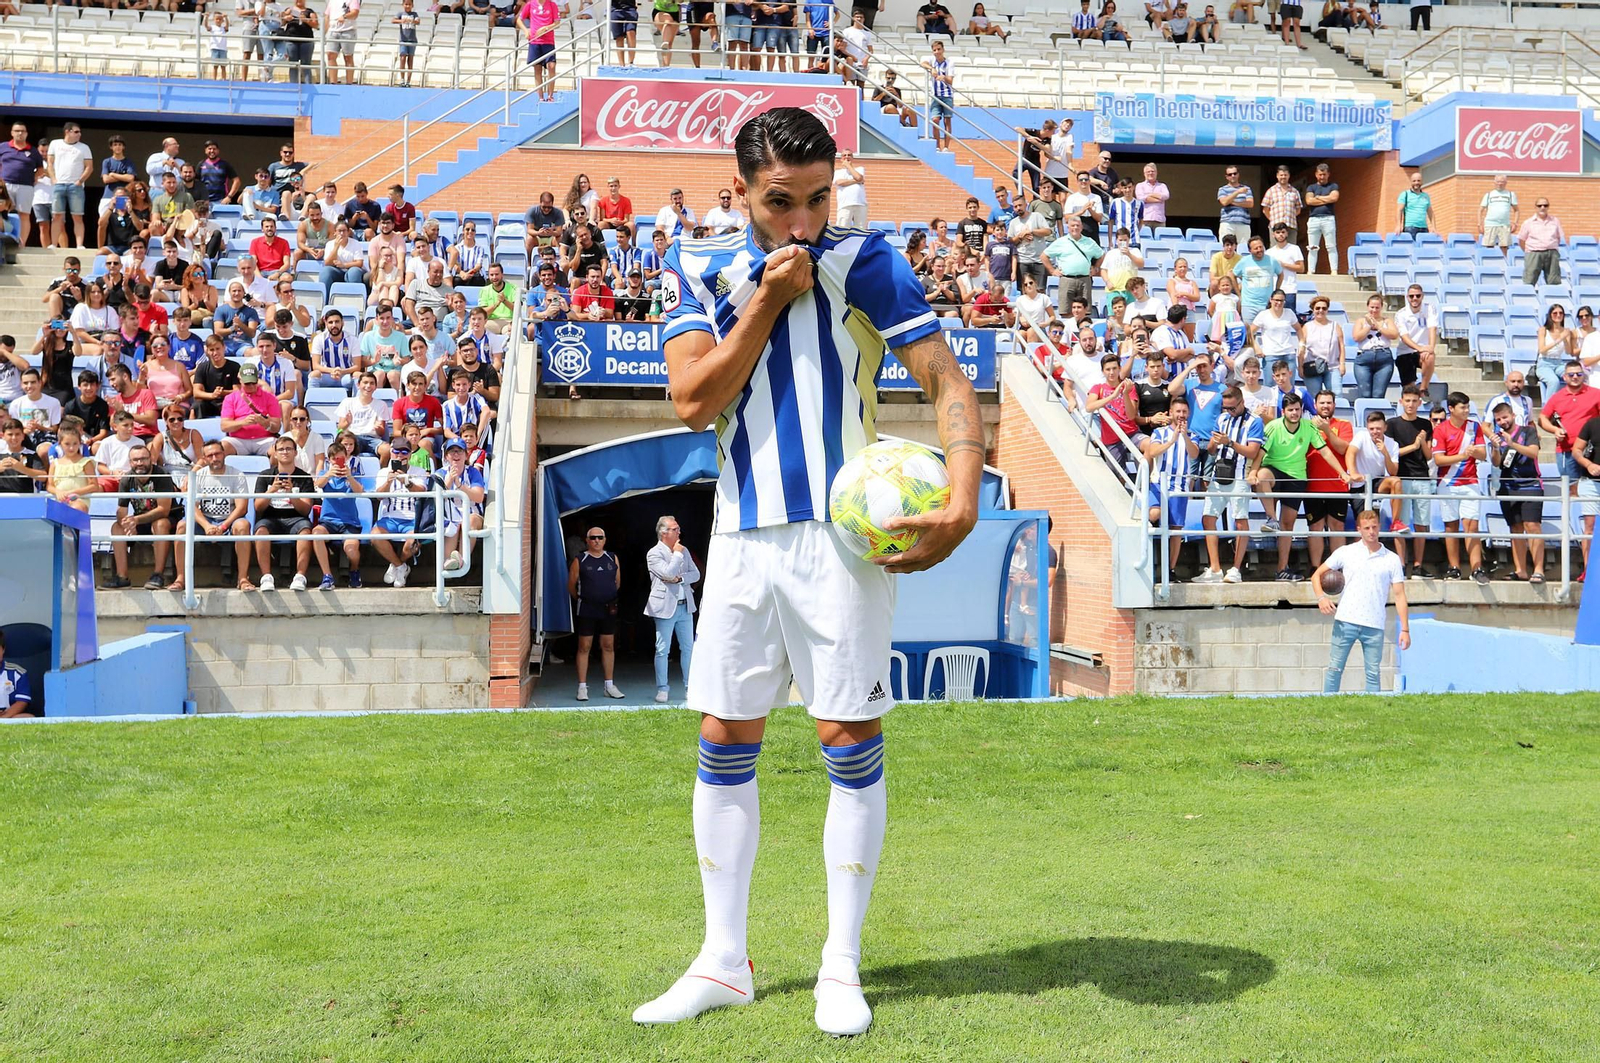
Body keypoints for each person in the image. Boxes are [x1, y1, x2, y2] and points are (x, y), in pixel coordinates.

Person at [634, 109, 981, 1037]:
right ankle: (723, 960)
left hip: (841, 540)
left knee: (846, 735)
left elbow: (947, 380)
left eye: (819, 199)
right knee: (723, 733)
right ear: (740, 191)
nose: (803, 222)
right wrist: (764, 300)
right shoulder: (698, 265)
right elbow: (691, 399)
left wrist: (963, 496)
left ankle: (840, 964)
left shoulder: (867, 261)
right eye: (781, 202)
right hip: (741, 534)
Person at [1314, 509, 1409, 693]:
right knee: (1334, 669)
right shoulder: (1346, 552)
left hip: (1374, 624)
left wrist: (1405, 629)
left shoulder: (1392, 559)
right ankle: (1326, 704)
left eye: (1374, 527)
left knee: (1373, 673)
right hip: (1346, 620)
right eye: (1367, 528)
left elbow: (1400, 595)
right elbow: (1317, 575)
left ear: (1379, 527)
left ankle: (1372, 708)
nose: (1371, 532)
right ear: (1359, 529)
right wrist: (1321, 598)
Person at [1249, 391, 1330, 580]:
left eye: (1297, 409)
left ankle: (1282, 569)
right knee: (1262, 476)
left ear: (1302, 410)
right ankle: (1271, 518)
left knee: (1287, 524)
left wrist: (1343, 473)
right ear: (1283, 411)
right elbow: (1260, 454)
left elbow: (1325, 452)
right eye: (1290, 410)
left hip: (1296, 477)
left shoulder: (1309, 427)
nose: (1294, 413)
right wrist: (1252, 472)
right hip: (1274, 469)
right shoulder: (1273, 427)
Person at [1195, 385, 1263, 584]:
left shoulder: (1254, 421)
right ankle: (1215, 569)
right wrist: (1214, 443)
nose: (1229, 411)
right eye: (1226, 408)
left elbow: (1253, 452)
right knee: (1208, 518)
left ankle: (1236, 569)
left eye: (1232, 408)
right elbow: (1211, 450)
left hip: (1240, 476)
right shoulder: (1222, 419)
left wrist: (1230, 443)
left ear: (1242, 402)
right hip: (1219, 474)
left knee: (1240, 520)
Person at [1142, 393, 1198, 582]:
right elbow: (1152, 451)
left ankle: (1170, 569)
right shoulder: (1160, 432)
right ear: (1171, 412)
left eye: (1184, 412)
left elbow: (1194, 453)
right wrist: (1172, 440)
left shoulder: (1193, 434)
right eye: (1178, 411)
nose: (1181, 415)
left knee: (1176, 530)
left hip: (1180, 487)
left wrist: (1184, 436)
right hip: (1159, 483)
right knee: (1154, 514)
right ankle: (1147, 556)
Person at [1487, 400, 1544, 583]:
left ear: (1512, 415)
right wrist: (1495, 447)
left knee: (1532, 526)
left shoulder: (1528, 431)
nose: (1502, 422)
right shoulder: (1497, 437)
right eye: (1498, 420)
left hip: (1530, 484)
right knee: (1515, 528)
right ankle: (1521, 571)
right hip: (1508, 487)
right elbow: (1496, 463)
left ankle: (1538, 570)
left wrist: (1512, 443)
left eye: (1505, 417)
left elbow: (1533, 453)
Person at [645, 514, 700, 703]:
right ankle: (662, 688)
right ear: (664, 532)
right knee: (662, 649)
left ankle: (690, 687)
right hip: (664, 607)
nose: (679, 532)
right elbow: (667, 573)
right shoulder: (654, 553)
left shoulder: (684, 550)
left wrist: (680, 578)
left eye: (678, 528)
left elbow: (696, 574)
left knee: (688, 648)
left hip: (685, 607)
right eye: (675, 529)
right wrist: (676, 555)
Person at [568, 525, 625, 700]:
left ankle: (609, 685)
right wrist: (583, 598)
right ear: (587, 541)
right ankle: (582, 687)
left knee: (608, 645)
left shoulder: (612, 558)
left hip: (608, 608)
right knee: (584, 646)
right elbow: (571, 585)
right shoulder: (580, 559)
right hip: (587, 608)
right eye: (593, 538)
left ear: (605, 540)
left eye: (600, 537)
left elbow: (617, 583)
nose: (596, 541)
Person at [1387, 384, 1434, 575]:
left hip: (1422, 477)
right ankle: (1400, 565)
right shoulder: (1392, 424)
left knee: (1422, 524)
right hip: (1401, 478)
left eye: (1414, 401)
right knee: (1400, 523)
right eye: (1407, 400)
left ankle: (1417, 565)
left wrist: (1421, 443)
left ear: (1420, 403)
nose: (1411, 404)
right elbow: (1391, 454)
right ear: (1401, 401)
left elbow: (1429, 456)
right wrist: (1413, 446)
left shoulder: (1425, 424)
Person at [1043, 215, 1101, 317]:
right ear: (1068, 227)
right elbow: (1044, 256)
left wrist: (1096, 268)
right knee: (1066, 312)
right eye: (1073, 225)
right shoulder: (1061, 242)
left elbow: (1101, 255)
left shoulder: (1089, 242)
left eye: (1077, 225)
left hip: (1084, 280)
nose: (1075, 228)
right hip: (1067, 280)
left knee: (1085, 312)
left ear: (1081, 227)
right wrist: (1052, 271)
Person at [220, 364, 282, 457]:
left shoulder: (270, 398)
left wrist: (266, 424)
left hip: (265, 439)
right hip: (238, 440)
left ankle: (274, 467)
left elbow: (277, 427)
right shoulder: (230, 398)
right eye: (247, 383)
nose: (251, 386)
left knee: (280, 450)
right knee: (220, 449)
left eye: (254, 383)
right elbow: (224, 426)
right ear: (240, 380)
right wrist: (243, 423)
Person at [1351, 291, 1398, 399]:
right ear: (1368, 306)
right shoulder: (1361, 321)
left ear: (1381, 307)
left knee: (1378, 394)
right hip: (1364, 356)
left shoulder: (1387, 321)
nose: (1374, 310)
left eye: (1377, 307)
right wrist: (1368, 326)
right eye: (1372, 307)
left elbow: (1394, 335)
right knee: (1365, 394)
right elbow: (1356, 337)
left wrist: (1378, 327)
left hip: (1383, 357)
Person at [1517, 197, 1565, 288]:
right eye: (1540, 205)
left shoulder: (1555, 221)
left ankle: (1552, 297)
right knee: (1529, 280)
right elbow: (1521, 240)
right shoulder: (1528, 222)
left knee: (1554, 282)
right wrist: (1529, 251)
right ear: (1535, 207)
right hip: (1534, 253)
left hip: (1552, 254)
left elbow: (1558, 237)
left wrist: (1550, 246)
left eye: (1545, 205)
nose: (1542, 207)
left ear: (1548, 207)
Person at [921, 39, 956, 150]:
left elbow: (950, 80)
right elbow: (922, 63)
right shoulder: (932, 60)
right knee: (935, 120)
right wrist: (932, 69)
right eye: (935, 50)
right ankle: (937, 145)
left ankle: (946, 146)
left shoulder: (949, 62)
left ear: (943, 50)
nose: (937, 52)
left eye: (939, 49)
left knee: (947, 120)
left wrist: (944, 77)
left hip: (947, 95)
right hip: (935, 95)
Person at [1478, 173, 1519, 257]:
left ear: (1506, 183)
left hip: (1504, 224)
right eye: (1498, 181)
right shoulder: (1488, 195)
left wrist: (1515, 223)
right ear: (1494, 182)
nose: (1500, 184)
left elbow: (1516, 210)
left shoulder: (1510, 194)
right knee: (1489, 245)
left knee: (1504, 246)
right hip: (1490, 224)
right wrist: (1479, 224)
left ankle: (1504, 261)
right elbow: (1480, 210)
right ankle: (1490, 261)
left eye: (1502, 182)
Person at [1, 630, 37, 718]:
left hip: (9, 716)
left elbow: (22, 702)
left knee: (28, 717)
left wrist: (3, 718)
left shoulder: (18, 672)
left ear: (3, 649)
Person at [1216, 165, 1253, 247]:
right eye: (1230, 174)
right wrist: (1238, 192)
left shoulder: (1246, 189)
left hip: (1243, 222)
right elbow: (1224, 202)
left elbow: (1250, 204)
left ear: (1238, 174)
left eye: (1235, 173)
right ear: (1226, 177)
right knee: (1226, 247)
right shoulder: (1222, 189)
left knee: (1243, 248)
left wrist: (1234, 202)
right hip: (1227, 222)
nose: (1233, 176)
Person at [1396, 171, 1432, 235]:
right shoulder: (1405, 194)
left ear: (1422, 182)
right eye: (1414, 181)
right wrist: (1398, 225)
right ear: (1411, 182)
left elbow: (1430, 212)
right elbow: (1399, 210)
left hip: (1424, 228)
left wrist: (1434, 227)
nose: (1416, 183)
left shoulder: (1426, 196)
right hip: (1410, 228)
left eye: (1418, 181)